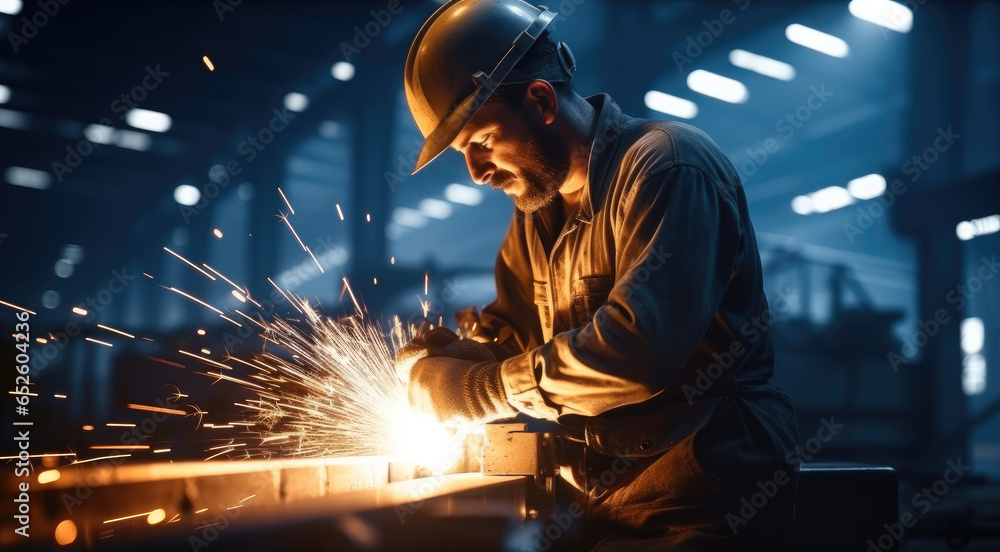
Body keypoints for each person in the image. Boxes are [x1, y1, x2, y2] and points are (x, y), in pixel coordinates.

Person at [396, 1, 799, 550]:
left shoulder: (667, 168)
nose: (475, 172)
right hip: (599, 487)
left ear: (539, 100)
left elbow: (636, 352)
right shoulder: (537, 211)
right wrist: (459, 359)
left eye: (481, 141)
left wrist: (481, 388)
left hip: (704, 489)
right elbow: (518, 335)